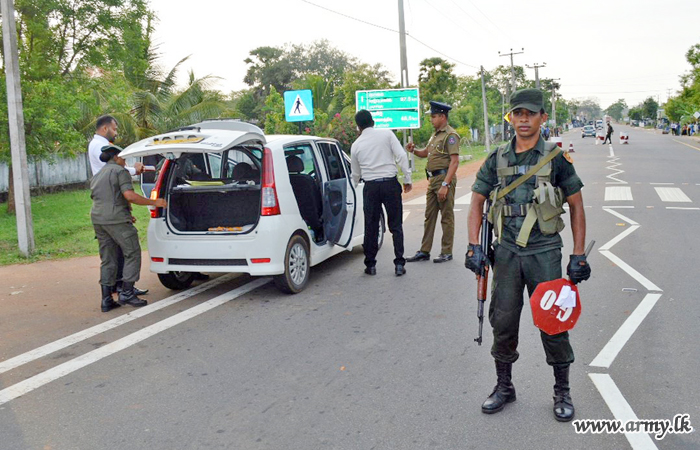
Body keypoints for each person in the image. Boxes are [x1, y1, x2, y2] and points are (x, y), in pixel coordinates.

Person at [464, 88, 591, 422]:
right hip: (505, 253)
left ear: (542, 118)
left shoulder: (556, 159)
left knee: (553, 323)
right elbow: (477, 201)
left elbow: (576, 206)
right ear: (512, 117)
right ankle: (504, 386)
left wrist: (578, 254)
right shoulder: (496, 158)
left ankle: (561, 391)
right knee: (503, 321)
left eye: (530, 113)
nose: (523, 119)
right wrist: (473, 246)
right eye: (517, 113)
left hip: (544, 251)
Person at [91, 145, 167, 312]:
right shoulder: (120, 172)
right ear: (117, 157)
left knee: (108, 258)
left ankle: (106, 299)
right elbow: (129, 196)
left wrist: (125, 212)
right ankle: (126, 292)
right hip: (116, 220)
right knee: (131, 252)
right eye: (124, 158)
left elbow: (107, 197)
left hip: (99, 220)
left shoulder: (98, 174)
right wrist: (155, 202)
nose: (125, 161)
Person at [88, 115, 150, 296]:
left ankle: (110, 293)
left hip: (101, 207)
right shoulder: (103, 150)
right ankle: (125, 288)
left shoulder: (95, 148)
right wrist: (135, 170)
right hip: (113, 200)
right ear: (105, 128)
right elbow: (119, 175)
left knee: (110, 254)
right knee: (129, 249)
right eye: (114, 129)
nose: (116, 132)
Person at [350, 110, 412, 276]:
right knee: (396, 225)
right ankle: (399, 264)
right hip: (390, 185)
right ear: (373, 121)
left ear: (359, 127)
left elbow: (355, 174)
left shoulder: (356, 145)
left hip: (370, 187)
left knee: (371, 226)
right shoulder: (387, 134)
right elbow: (401, 156)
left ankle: (370, 264)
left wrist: (353, 188)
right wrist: (407, 179)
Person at [405, 101, 460, 264]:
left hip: (444, 179)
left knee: (447, 216)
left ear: (443, 117)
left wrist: (445, 184)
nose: (431, 119)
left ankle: (446, 251)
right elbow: (425, 153)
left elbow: (454, 162)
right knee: (429, 216)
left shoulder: (451, 135)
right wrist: (413, 150)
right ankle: (424, 250)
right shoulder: (435, 135)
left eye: (434, 116)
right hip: (432, 179)